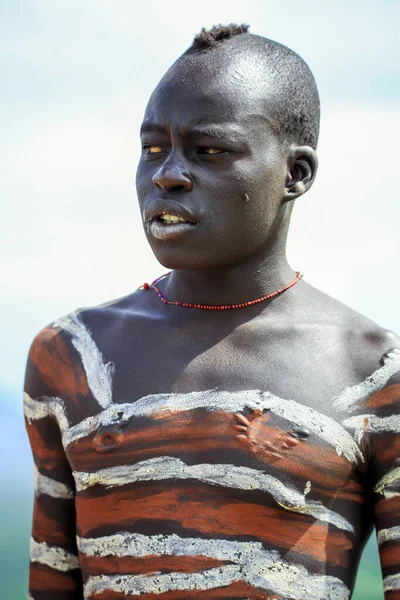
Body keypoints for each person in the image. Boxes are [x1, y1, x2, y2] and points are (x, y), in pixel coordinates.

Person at [24, 23, 400, 600]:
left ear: (295, 175)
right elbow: (51, 585)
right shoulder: (74, 356)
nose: (166, 174)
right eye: (153, 148)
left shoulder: (372, 373)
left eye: (210, 151)